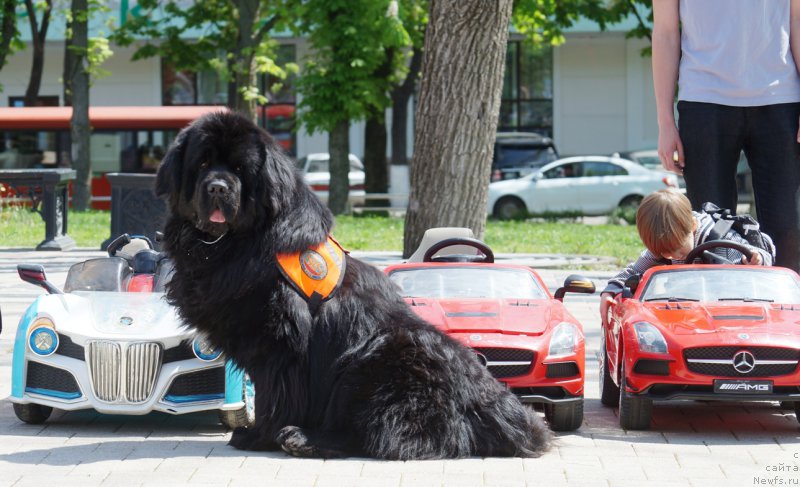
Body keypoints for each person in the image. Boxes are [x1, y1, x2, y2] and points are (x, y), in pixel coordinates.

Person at [652, 0, 800, 272]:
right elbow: (665, 33)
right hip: (703, 100)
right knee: (710, 233)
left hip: (781, 98)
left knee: (788, 231)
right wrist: (665, 121)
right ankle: (718, 299)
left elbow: (797, 20)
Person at [599, 189, 773, 328]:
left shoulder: (723, 241)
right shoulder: (665, 246)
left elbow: (759, 258)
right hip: (691, 311)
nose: (673, 256)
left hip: (735, 310)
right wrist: (610, 291)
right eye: (665, 254)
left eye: (678, 249)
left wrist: (755, 259)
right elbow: (634, 270)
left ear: (693, 225)